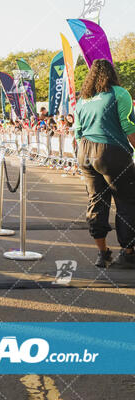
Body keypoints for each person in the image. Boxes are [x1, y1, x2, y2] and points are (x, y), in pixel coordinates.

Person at [75, 59, 135, 269]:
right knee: (126, 201)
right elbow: (129, 127)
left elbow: (77, 132)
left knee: (96, 201)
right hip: (111, 151)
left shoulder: (82, 100)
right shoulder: (119, 93)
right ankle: (128, 253)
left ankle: (102, 253)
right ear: (112, 74)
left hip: (85, 151)